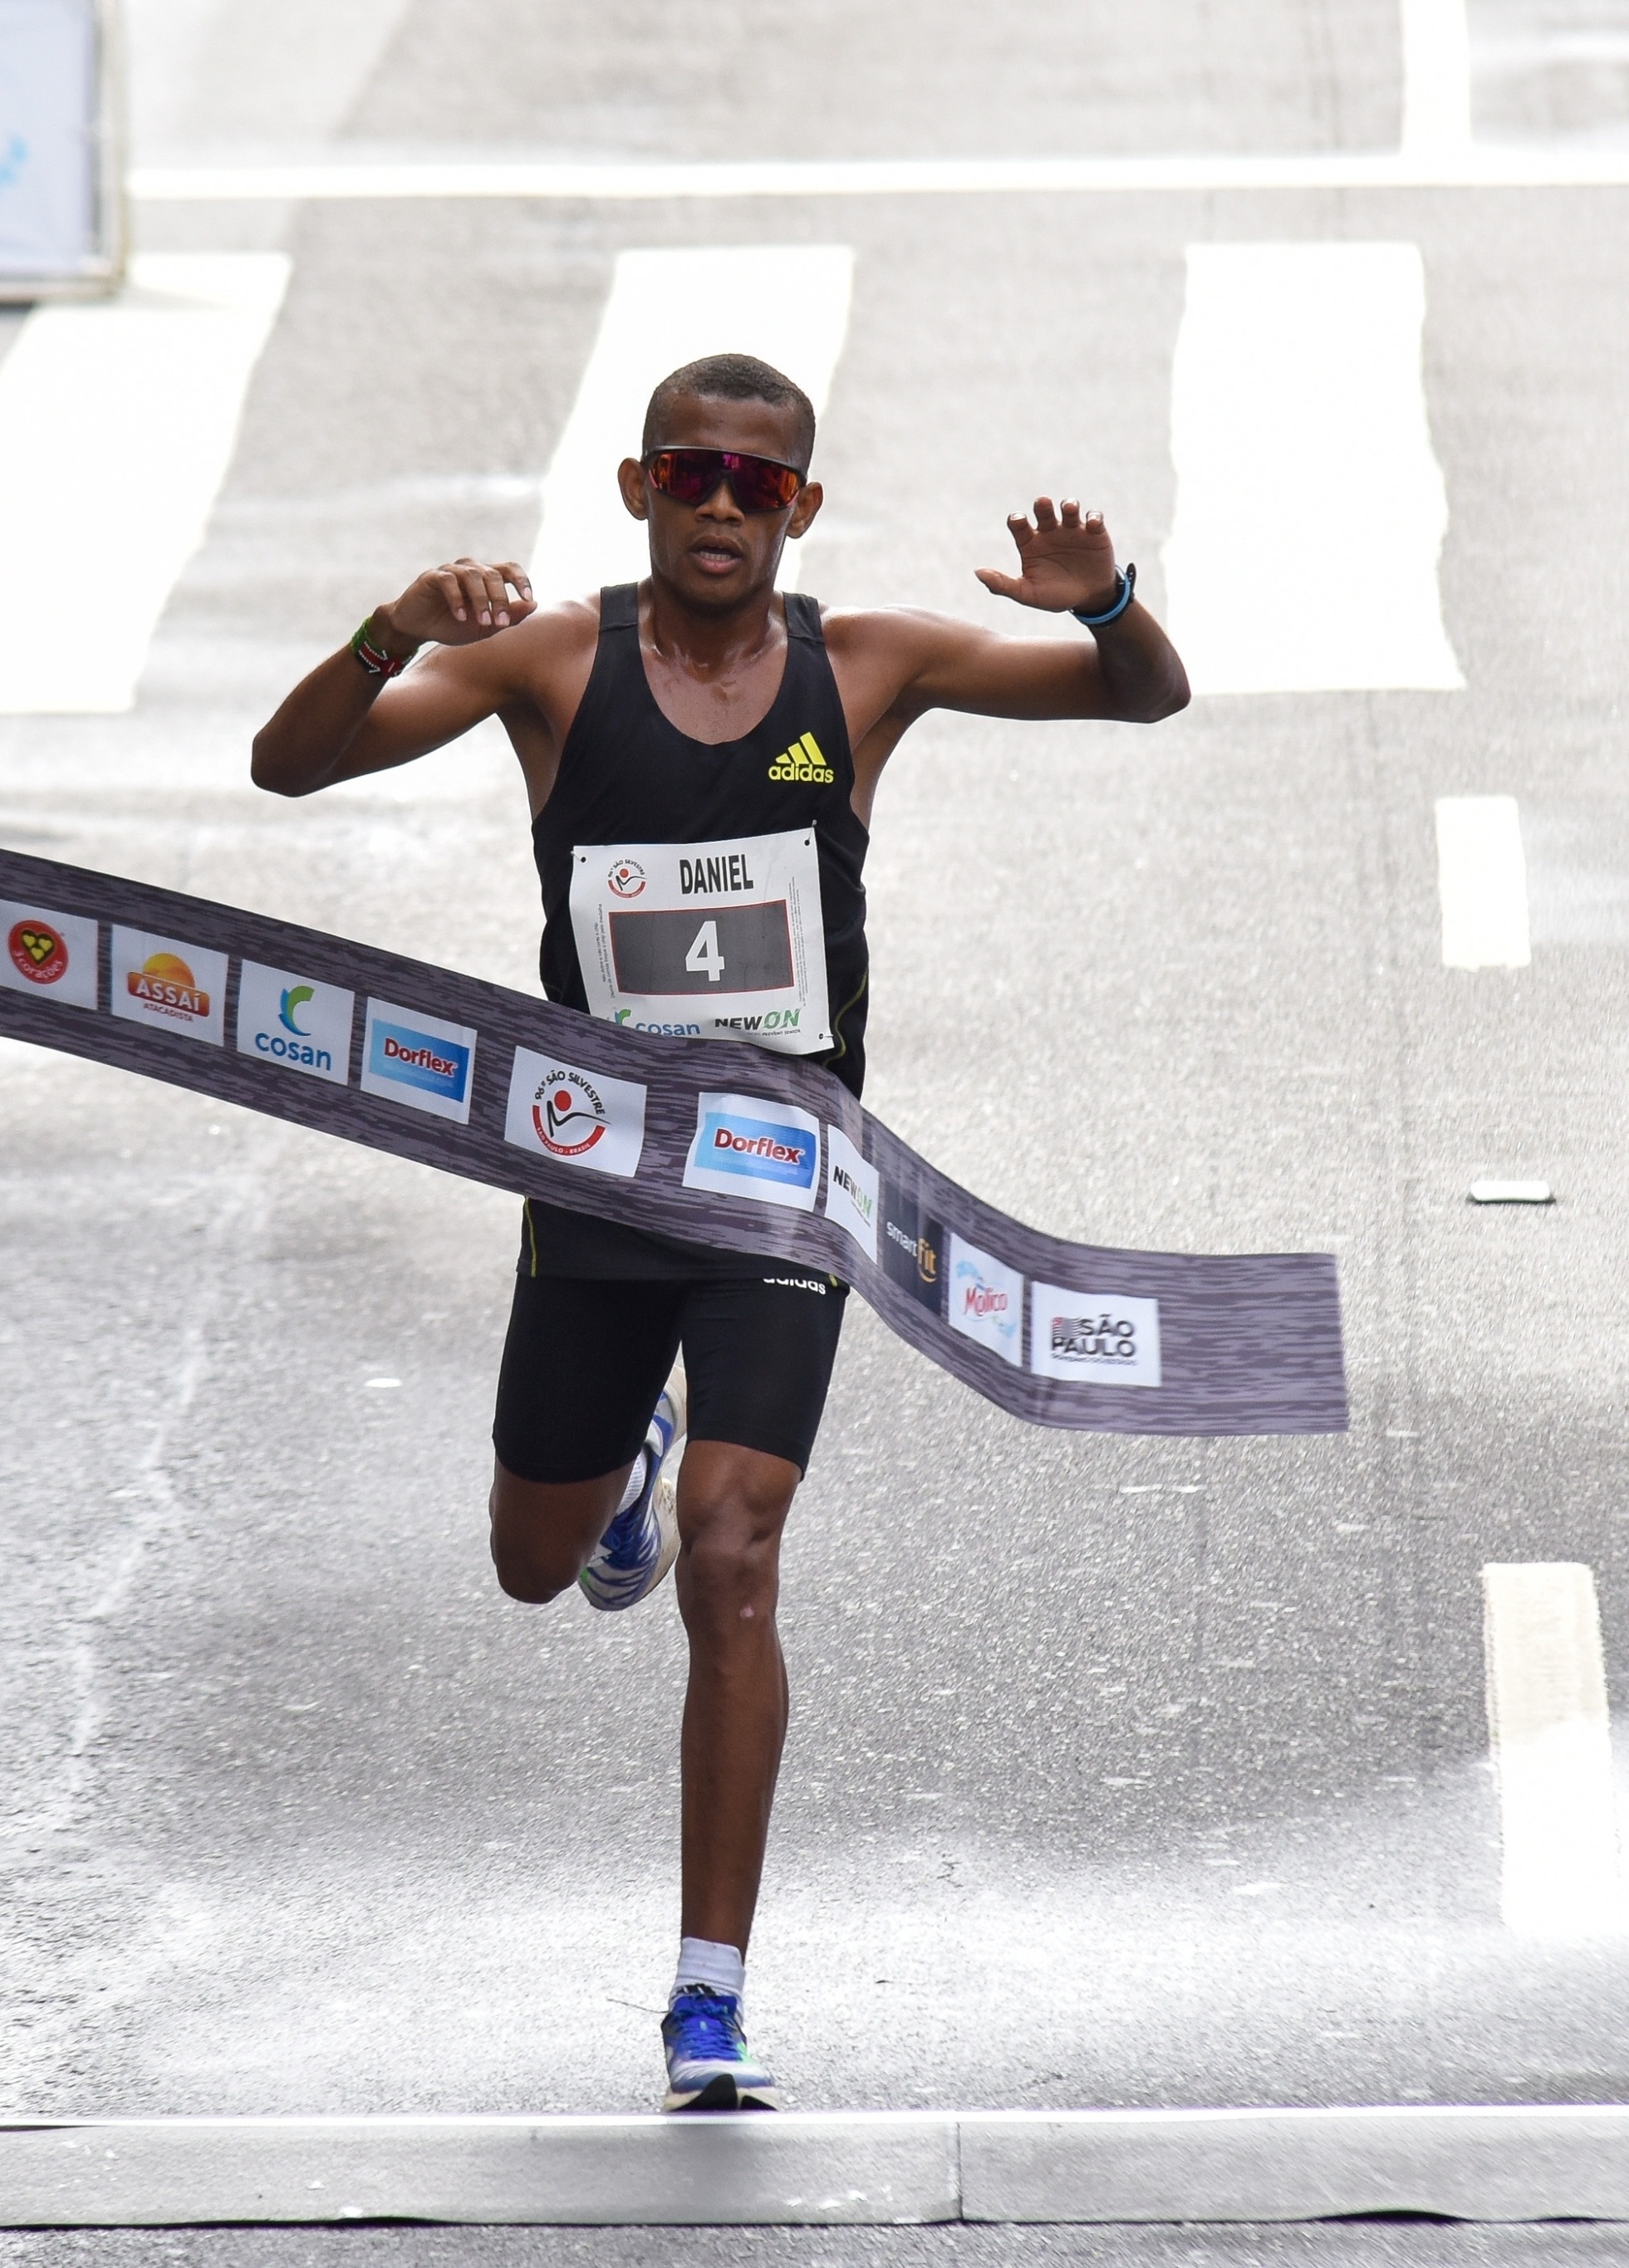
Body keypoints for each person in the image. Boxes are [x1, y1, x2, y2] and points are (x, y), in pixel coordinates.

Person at [252, 351, 1187, 2108]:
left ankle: (705, 1993)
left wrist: (1107, 603)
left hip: (779, 1181)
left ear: (800, 510)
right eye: (691, 475)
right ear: (637, 488)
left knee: (736, 1550)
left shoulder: (871, 668)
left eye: (758, 486)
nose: (720, 508)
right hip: (592, 1174)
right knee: (534, 1567)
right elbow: (288, 767)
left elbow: (1141, 698)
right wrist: (390, 625)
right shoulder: (548, 664)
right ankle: (610, 1478)